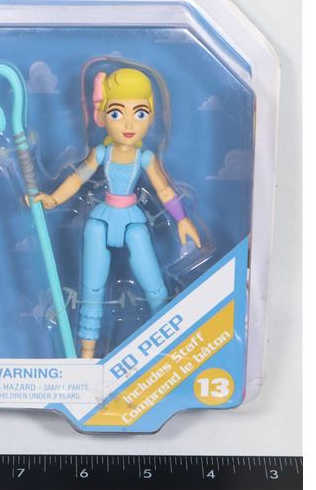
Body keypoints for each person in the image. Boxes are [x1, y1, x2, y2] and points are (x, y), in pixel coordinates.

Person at [29, 68, 201, 358]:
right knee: (92, 290)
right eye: (117, 113)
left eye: (140, 113)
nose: (129, 123)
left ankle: (166, 338)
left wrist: (182, 219)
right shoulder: (101, 154)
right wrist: (53, 198)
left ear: (152, 115)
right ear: (102, 115)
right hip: (101, 219)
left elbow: (164, 190)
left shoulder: (145, 157)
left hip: (132, 221)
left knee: (155, 287)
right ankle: (86, 353)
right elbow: (77, 179)